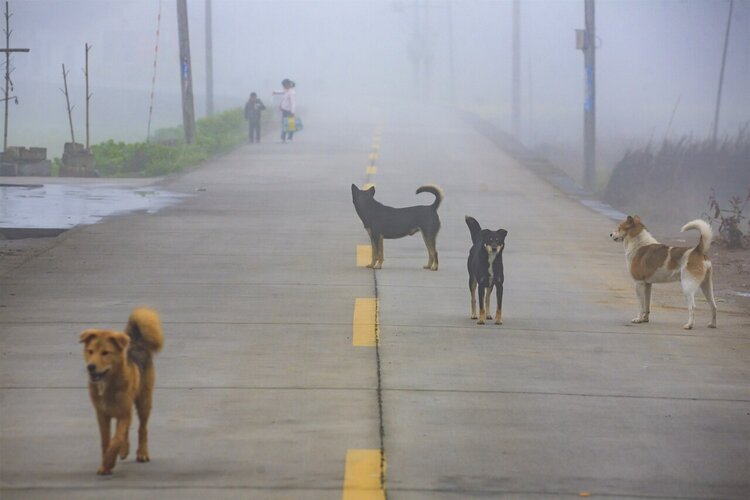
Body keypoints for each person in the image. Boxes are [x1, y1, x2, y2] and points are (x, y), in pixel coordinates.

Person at [272, 78, 296, 143]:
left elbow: (293, 103)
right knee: (284, 124)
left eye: (284, 85)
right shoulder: (287, 90)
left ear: (287, 84)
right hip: (284, 110)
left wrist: (292, 112)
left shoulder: (292, 92)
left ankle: (289, 138)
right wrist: (275, 92)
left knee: (290, 125)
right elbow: (282, 92)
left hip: (289, 111)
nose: (283, 86)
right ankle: (283, 138)